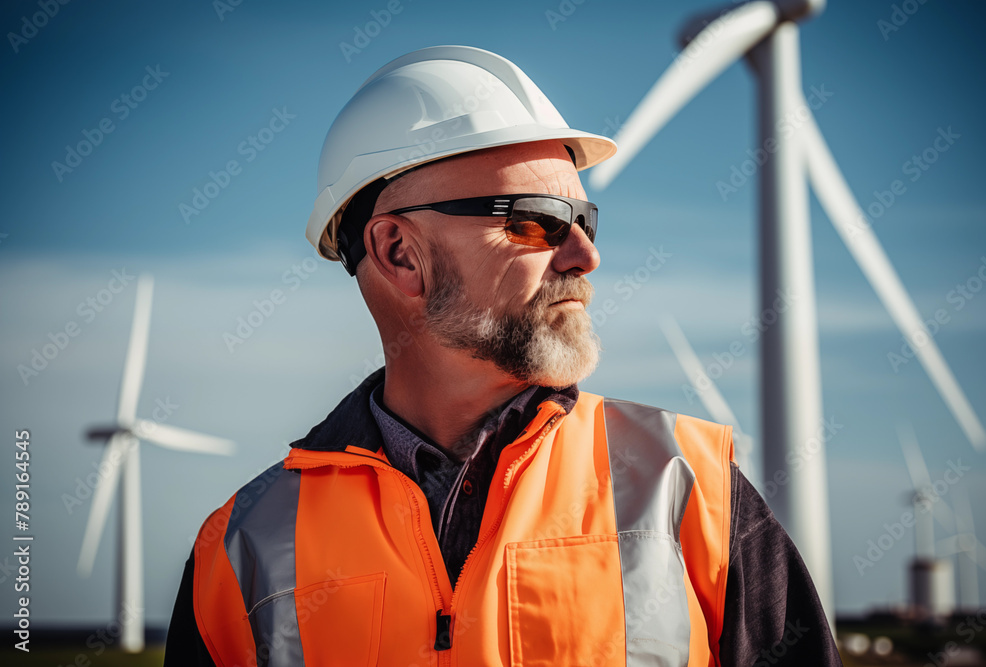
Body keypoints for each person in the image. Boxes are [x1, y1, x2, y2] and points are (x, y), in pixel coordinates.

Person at [165, 45, 842, 666]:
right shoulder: (242, 549)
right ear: (400, 253)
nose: (584, 254)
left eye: (584, 221)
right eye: (535, 219)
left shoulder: (688, 488)